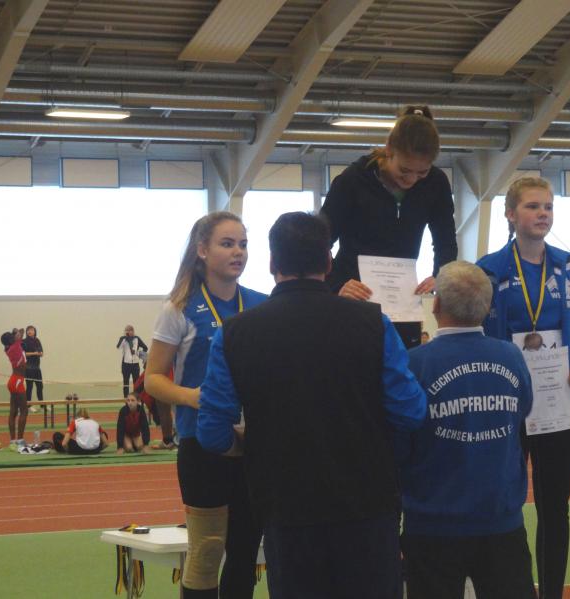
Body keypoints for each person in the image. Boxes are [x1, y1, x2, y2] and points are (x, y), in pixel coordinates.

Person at [197, 212, 427, 599]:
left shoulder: (235, 332)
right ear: (328, 262)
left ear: (272, 263)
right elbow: (411, 411)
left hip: (286, 510)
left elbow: (211, 433)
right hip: (367, 505)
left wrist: (247, 444)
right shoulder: (373, 323)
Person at [477, 176, 570, 599]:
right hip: (507, 402)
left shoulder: (569, 266)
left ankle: (552, 593)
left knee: (554, 508)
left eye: (548, 207)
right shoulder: (489, 269)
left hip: (560, 400)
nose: (542, 214)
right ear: (510, 214)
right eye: (532, 206)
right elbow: (479, 330)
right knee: (503, 503)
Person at [145, 211, 267, 599]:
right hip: (201, 443)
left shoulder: (262, 305)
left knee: (246, 551)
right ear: (202, 250)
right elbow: (152, 378)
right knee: (207, 550)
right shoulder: (179, 308)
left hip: (255, 445)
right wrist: (193, 398)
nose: (238, 252)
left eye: (243, 244)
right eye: (227, 244)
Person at [397, 261, 536, 599]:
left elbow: (400, 439)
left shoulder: (414, 363)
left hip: (433, 526)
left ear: (436, 304)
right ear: (487, 308)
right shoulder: (511, 357)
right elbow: (523, 411)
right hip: (501, 520)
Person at [320, 105, 457, 348]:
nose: (411, 180)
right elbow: (320, 240)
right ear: (388, 150)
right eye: (404, 171)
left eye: (421, 173)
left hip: (403, 303)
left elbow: (445, 239)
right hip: (355, 297)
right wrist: (336, 284)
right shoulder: (353, 180)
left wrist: (440, 275)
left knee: (402, 361)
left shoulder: (436, 184)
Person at [1, 329, 28, 449]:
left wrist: (14, 333)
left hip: (13, 380)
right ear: (11, 340)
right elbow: (21, 332)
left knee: (13, 411)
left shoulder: (9, 349)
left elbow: (18, 335)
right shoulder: (16, 346)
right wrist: (16, 331)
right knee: (24, 411)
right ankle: (20, 440)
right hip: (17, 381)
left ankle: (13, 441)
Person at [116, 325, 147, 397]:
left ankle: (136, 398)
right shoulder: (123, 339)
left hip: (135, 364)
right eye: (127, 330)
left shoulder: (137, 338)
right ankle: (126, 398)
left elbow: (145, 348)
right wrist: (124, 338)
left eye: (130, 330)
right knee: (126, 382)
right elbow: (118, 347)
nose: (128, 332)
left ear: (133, 331)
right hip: (126, 364)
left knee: (136, 382)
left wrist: (139, 353)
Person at [22, 325, 45, 413]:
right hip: (28, 368)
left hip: (37, 368)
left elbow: (41, 353)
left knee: (40, 386)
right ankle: (28, 406)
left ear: (35, 331)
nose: (30, 331)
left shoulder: (37, 340)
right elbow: (24, 354)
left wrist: (39, 353)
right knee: (29, 387)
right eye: (28, 330)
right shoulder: (24, 341)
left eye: (31, 330)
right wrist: (34, 353)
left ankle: (42, 406)